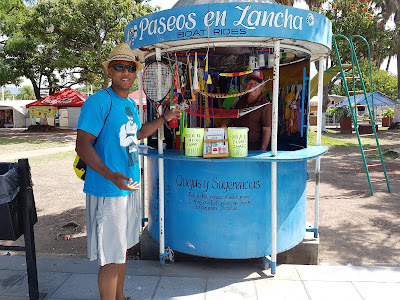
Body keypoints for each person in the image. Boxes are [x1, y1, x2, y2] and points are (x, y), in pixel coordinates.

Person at [75, 43, 181, 300]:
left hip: (128, 187)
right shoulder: (98, 102)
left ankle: (120, 297)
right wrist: (111, 175)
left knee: (121, 251)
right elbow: (82, 146)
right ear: (109, 71)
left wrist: (165, 118)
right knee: (110, 259)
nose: (125, 72)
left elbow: (138, 133)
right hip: (109, 190)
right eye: (119, 67)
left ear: (136, 73)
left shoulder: (129, 105)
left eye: (130, 68)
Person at [222, 70, 272, 150]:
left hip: (252, 148)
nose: (252, 86)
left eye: (255, 84)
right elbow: (234, 116)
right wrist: (223, 125)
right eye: (250, 83)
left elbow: (267, 129)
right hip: (235, 144)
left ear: (262, 85)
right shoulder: (242, 99)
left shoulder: (265, 104)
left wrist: (262, 150)